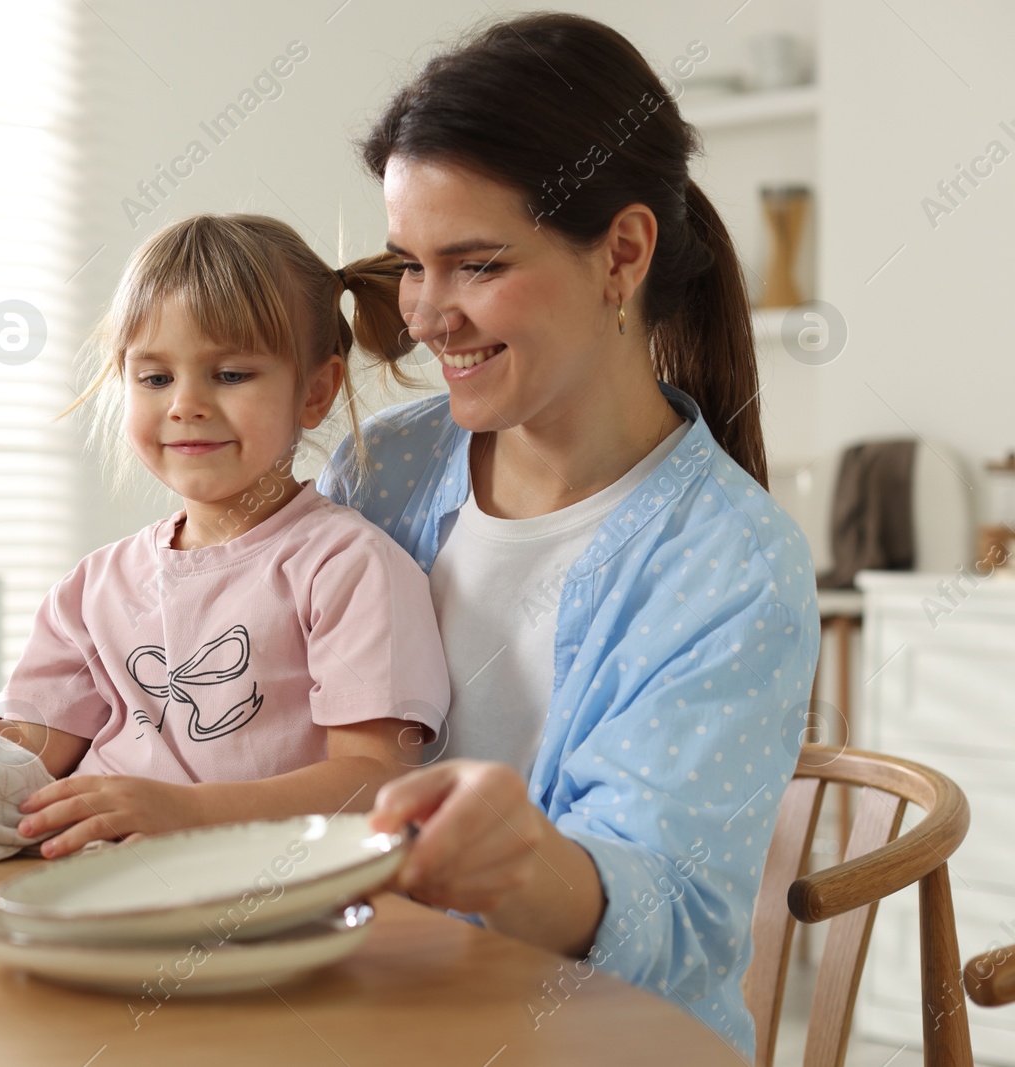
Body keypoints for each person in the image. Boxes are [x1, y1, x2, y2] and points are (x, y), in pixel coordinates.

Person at [313, 13, 820, 1057]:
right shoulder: (378, 472)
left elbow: (677, 918)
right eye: (410, 264)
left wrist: (530, 865)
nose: (424, 313)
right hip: (365, 1016)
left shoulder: (731, 563)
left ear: (621, 253)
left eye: (476, 264)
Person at [0, 213, 450, 860]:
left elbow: (374, 782)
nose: (185, 404)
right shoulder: (92, 586)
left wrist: (186, 813)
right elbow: (36, 750)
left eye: (231, 374)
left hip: (256, 900)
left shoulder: (349, 568)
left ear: (315, 392)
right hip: (90, 881)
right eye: (155, 378)